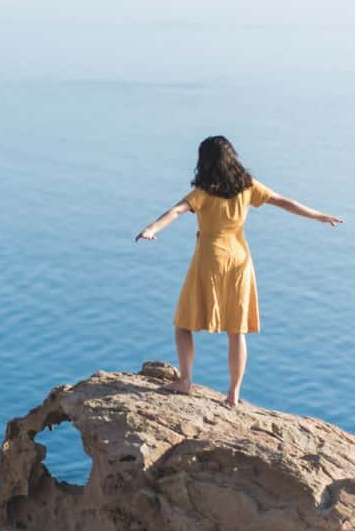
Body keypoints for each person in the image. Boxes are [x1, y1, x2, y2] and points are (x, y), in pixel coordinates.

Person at [135, 135, 342, 404]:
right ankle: (234, 393)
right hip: (240, 262)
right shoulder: (248, 187)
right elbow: (283, 201)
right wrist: (319, 216)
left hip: (210, 260)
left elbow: (175, 212)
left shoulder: (202, 193)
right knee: (237, 330)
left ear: (204, 162)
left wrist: (151, 229)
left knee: (183, 325)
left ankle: (185, 381)